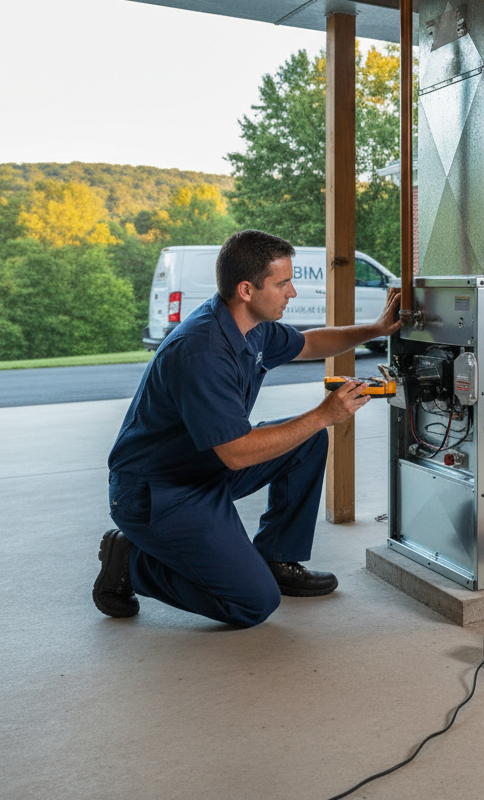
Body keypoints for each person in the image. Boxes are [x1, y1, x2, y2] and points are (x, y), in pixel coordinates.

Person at [92, 229, 401, 627]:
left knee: (304, 444)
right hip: (158, 492)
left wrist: (374, 329)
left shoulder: (248, 326)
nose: (292, 293)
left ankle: (276, 558)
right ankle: (130, 562)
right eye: (283, 283)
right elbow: (237, 454)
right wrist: (324, 414)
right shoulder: (201, 351)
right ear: (246, 290)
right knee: (252, 603)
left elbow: (308, 344)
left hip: (202, 468)